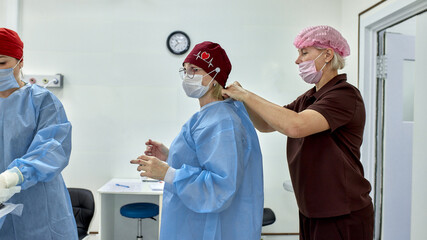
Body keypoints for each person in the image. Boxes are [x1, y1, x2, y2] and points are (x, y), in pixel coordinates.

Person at [222, 25, 374, 240]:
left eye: (304, 53)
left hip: (342, 211)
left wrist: (247, 96)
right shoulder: (310, 97)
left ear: (328, 54)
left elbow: (295, 126)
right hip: (312, 209)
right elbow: (268, 124)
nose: (297, 61)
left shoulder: (345, 95)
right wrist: (242, 101)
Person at [130, 41, 264, 240]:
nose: (187, 76)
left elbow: (221, 187)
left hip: (207, 229)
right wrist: (170, 156)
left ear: (215, 77)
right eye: (185, 70)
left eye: (195, 70)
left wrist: (168, 173)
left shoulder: (221, 120)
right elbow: (205, 160)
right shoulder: (210, 115)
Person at [0, 28, 78, 239]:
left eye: (1, 63)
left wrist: (12, 177)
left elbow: (52, 147)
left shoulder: (41, 101)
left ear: (20, 61)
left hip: (39, 212)